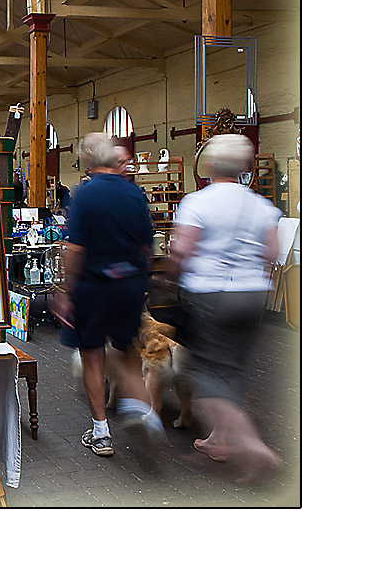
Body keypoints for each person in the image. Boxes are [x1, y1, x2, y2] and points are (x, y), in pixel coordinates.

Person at [167, 134, 282, 482]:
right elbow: (272, 253)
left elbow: (183, 250)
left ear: (211, 166)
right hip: (252, 295)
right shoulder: (261, 206)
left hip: (210, 294)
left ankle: (250, 444)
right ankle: (220, 441)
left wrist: (172, 274)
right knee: (232, 369)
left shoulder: (197, 203)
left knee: (204, 374)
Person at [51, 133, 163, 457]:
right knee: (127, 349)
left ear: (87, 159)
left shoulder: (85, 195)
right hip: (128, 284)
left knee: (93, 357)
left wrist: (65, 291)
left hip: (93, 287)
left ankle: (101, 432)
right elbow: (146, 246)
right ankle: (144, 411)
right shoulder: (134, 194)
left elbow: (75, 249)